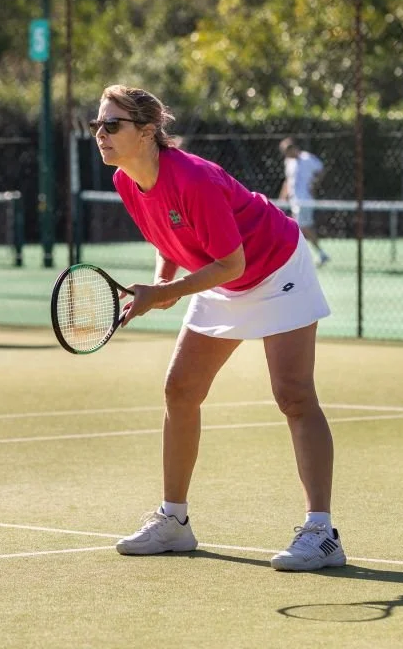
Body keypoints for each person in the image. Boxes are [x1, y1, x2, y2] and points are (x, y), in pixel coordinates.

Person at [94, 85, 344, 571]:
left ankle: (322, 533)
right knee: (180, 389)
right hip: (221, 276)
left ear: (146, 132)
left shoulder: (194, 178)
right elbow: (170, 234)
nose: (99, 134)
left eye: (111, 125)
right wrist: (164, 277)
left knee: (293, 394)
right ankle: (174, 523)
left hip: (275, 268)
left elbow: (233, 262)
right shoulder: (127, 182)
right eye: (96, 125)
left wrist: (166, 294)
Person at [278, 137, 330, 267]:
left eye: (287, 151)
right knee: (302, 226)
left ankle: (317, 254)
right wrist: (282, 199)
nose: (286, 155)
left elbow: (321, 170)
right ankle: (315, 253)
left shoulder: (308, 158)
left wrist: (314, 184)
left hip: (305, 200)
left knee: (301, 226)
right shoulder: (288, 162)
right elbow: (288, 181)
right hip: (294, 200)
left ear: (293, 148)